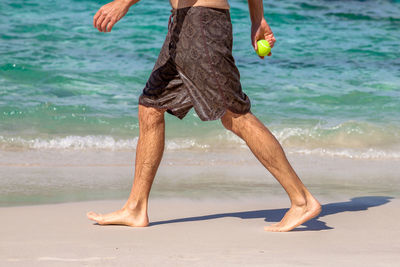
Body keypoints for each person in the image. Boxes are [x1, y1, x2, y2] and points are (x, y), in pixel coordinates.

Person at [87, 0, 321, 232]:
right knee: (150, 107)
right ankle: (135, 208)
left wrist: (123, 3)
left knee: (235, 115)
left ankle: (302, 201)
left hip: (202, 26)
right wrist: (256, 19)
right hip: (184, 24)